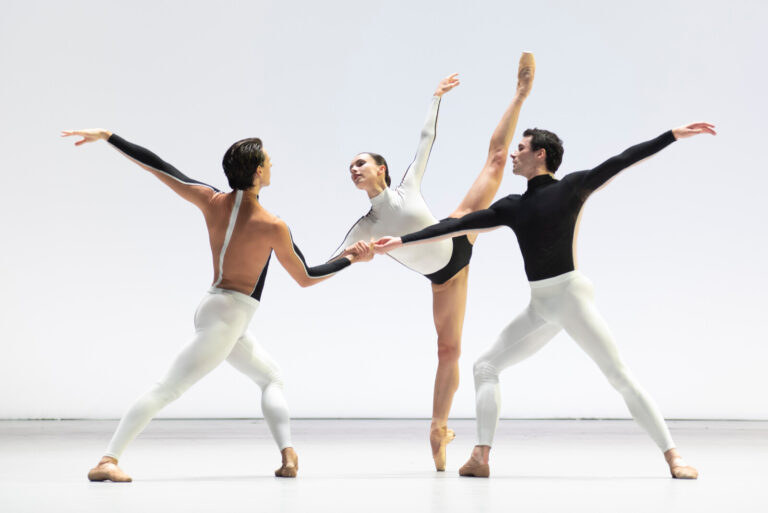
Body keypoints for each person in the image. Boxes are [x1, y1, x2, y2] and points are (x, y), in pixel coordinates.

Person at [373, 122, 716, 479]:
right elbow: (454, 225)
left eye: (521, 148)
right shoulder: (513, 206)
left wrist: (672, 135)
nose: (514, 154)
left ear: (540, 154)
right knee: (485, 367)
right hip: (541, 306)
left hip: (570, 297)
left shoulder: (571, 187)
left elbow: (623, 159)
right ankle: (481, 456)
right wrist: (401, 241)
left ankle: (674, 457)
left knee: (619, 376)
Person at [62, 128, 372, 482]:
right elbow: (306, 277)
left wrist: (109, 137)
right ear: (257, 172)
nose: (272, 166)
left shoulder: (210, 200)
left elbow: (158, 167)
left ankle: (288, 455)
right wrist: (350, 260)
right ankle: (107, 460)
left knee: (271, 377)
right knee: (167, 389)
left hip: (218, 311)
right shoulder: (272, 225)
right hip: (227, 318)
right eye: (269, 162)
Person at [332, 53, 535, 470]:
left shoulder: (406, 184)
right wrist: (341, 259)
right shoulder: (363, 229)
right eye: (350, 166)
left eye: (361, 162)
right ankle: (438, 428)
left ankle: (520, 93)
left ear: (380, 169)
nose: (354, 169)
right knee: (449, 351)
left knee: (496, 160)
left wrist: (436, 97)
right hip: (445, 278)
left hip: (458, 229)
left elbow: (426, 139)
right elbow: (327, 267)